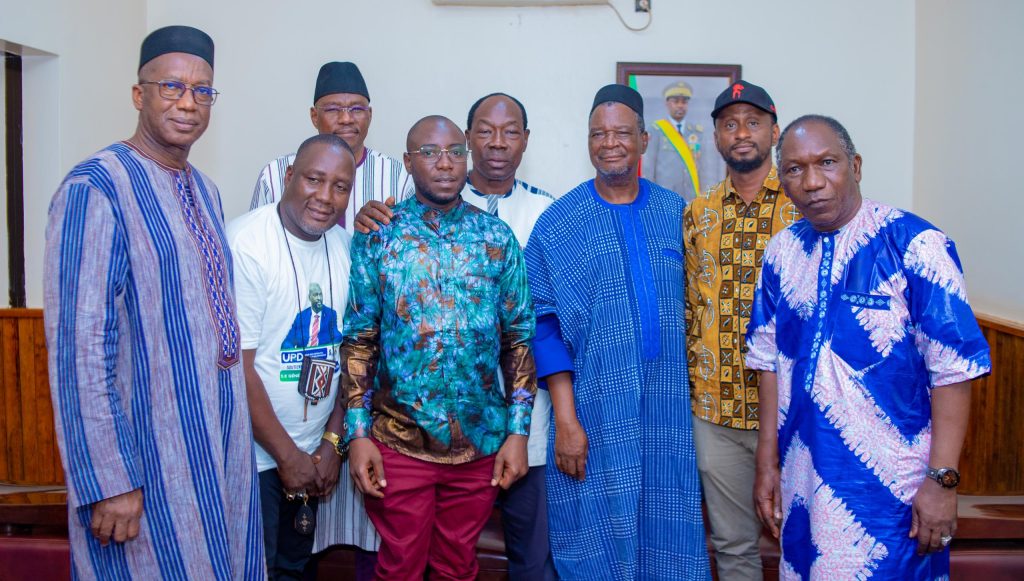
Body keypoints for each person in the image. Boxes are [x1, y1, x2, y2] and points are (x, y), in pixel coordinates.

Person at [42, 25, 265, 579]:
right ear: (138, 94)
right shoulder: (95, 188)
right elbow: (79, 348)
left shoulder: (206, 190)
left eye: (202, 90)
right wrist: (108, 479)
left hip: (216, 443)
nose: (188, 103)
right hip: (145, 454)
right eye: (172, 87)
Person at [746, 115, 992, 579]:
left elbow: (954, 368)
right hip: (802, 482)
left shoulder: (917, 245)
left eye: (827, 162)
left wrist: (942, 481)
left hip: (894, 493)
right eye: (795, 169)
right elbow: (766, 361)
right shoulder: (781, 252)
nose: (812, 182)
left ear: (855, 166)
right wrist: (767, 465)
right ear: (782, 181)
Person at [352, 92, 556, 580]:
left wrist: (518, 433)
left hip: (480, 446)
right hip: (399, 441)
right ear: (408, 162)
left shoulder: (496, 238)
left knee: (457, 568)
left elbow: (518, 342)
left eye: (454, 152)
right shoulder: (379, 235)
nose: (444, 163)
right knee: (399, 568)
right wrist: (358, 435)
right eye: (430, 152)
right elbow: (360, 340)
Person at [524, 84, 710, 580]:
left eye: (622, 133)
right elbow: (543, 328)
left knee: (671, 534)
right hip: (595, 410)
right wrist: (566, 422)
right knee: (594, 537)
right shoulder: (558, 224)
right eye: (598, 134)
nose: (610, 143)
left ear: (644, 140)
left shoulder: (676, 213)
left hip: (671, 413)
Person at [228, 134, 356, 579]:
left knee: (295, 570)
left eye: (340, 186)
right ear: (288, 177)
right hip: (255, 459)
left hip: (312, 455)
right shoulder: (246, 243)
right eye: (314, 179)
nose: (325, 197)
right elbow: (237, 369)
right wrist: (287, 457)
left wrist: (332, 444)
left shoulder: (344, 247)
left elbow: (351, 358)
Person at [683, 80, 795, 581]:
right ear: (716, 138)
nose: (742, 133)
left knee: (808, 540)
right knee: (732, 547)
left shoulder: (804, 206)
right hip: (717, 411)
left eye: (753, 122)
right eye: (730, 124)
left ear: (774, 131)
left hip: (795, 413)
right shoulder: (698, 212)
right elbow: (691, 307)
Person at [249, 61, 413, 233]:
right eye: (333, 109)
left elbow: (416, 243)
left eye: (357, 109)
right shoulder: (275, 174)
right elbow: (255, 234)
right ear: (314, 116)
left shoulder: (398, 177)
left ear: (369, 115)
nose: (346, 119)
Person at [642, 80, 714, 202]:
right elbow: (649, 168)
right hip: (664, 197)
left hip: (692, 196)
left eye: (684, 102)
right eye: (676, 101)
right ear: (667, 103)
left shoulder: (696, 132)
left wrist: (705, 195)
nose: (680, 105)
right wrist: (650, 198)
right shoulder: (656, 130)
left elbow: (704, 167)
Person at [280, 283, 342, 350]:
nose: (319, 298)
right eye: (315, 295)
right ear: (310, 297)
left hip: (321, 353)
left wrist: (329, 348)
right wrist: (292, 351)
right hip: (304, 353)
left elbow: (336, 335)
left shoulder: (330, 314)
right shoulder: (301, 317)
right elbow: (289, 340)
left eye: (320, 294)